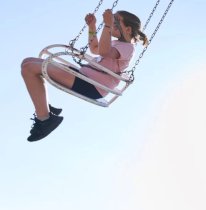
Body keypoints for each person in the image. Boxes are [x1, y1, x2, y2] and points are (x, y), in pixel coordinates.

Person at [21, 9, 148, 142]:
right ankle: (45, 108)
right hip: (83, 76)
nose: (112, 22)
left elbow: (104, 51)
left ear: (127, 30)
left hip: (92, 86)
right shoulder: (116, 43)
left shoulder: (128, 48)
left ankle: (45, 119)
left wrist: (107, 25)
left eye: (116, 21)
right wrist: (92, 27)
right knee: (27, 62)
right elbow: (95, 49)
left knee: (29, 68)